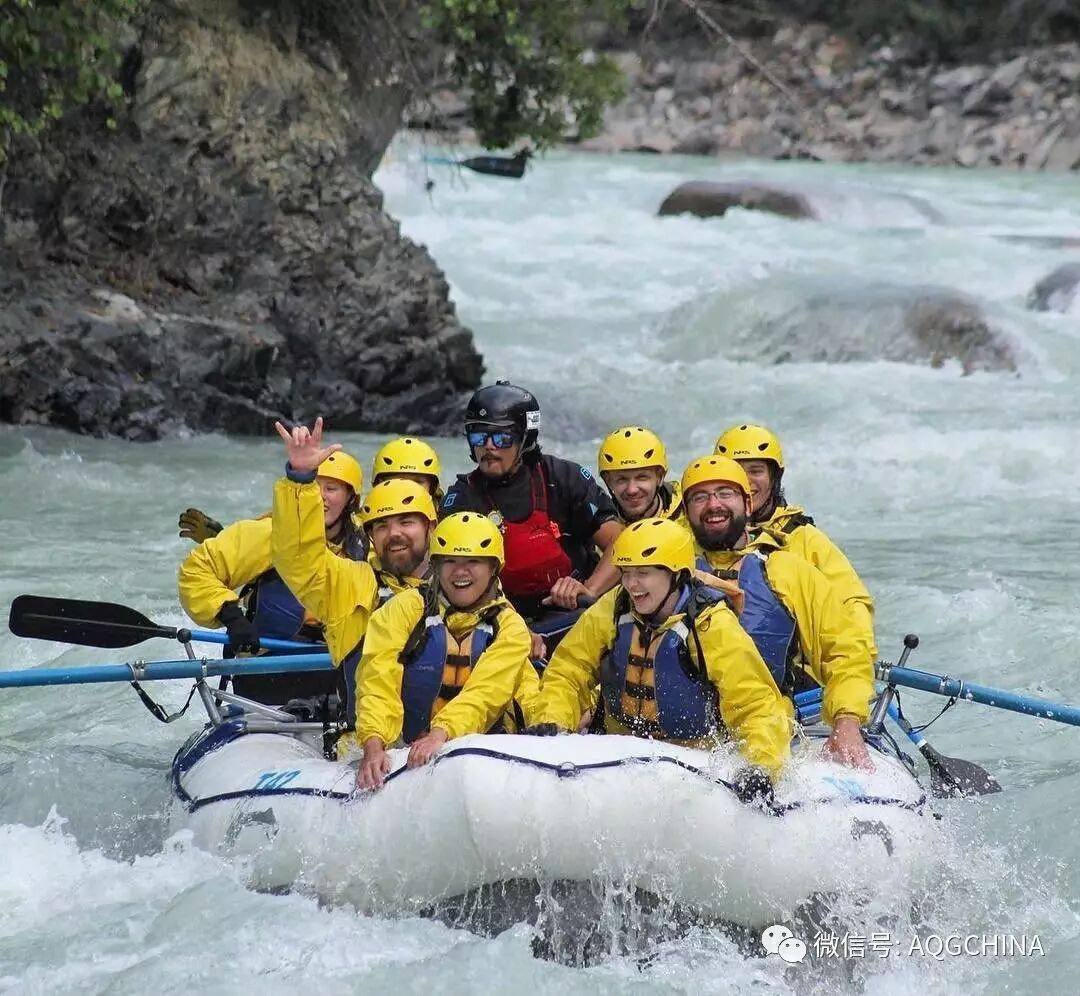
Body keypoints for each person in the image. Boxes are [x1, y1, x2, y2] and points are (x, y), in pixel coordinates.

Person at [527, 517, 791, 797]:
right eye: (626, 572)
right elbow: (569, 670)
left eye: (643, 572)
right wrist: (551, 721)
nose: (632, 584)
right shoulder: (613, 608)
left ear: (676, 575)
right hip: (617, 753)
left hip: (692, 761)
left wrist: (760, 767)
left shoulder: (711, 626)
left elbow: (756, 705)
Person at [681, 454, 875, 769]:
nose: (713, 505)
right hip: (678, 744)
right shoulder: (663, 570)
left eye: (724, 494)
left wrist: (847, 719)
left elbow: (845, 651)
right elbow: (590, 652)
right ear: (686, 512)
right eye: (700, 497)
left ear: (747, 504)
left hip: (767, 736)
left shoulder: (787, 570)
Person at [271, 419, 437, 722]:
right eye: (383, 526)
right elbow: (297, 557)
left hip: (453, 742)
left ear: (431, 526)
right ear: (370, 535)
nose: (395, 534)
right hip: (365, 748)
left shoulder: (462, 580)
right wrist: (300, 481)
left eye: (407, 522)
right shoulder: (351, 582)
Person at [356, 511, 537, 790]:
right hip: (403, 750)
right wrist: (373, 742)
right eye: (449, 561)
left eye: (473, 562)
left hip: (484, 752)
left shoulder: (509, 626)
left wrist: (441, 733)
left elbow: (487, 692)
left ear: (493, 569)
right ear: (436, 567)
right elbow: (377, 678)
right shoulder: (404, 610)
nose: (460, 572)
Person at [177, 447, 367, 703]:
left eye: (331, 489)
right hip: (270, 669)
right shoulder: (269, 533)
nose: (319, 497)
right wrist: (230, 615)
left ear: (351, 500)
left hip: (340, 671)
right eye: (314, 486)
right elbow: (197, 570)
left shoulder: (367, 546)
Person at [440, 381, 622, 622]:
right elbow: (453, 577)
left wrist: (590, 589)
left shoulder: (563, 477)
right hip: (500, 622)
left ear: (525, 439)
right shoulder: (461, 499)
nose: (489, 446)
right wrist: (509, 628)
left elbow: (621, 542)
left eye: (502, 438)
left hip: (578, 613)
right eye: (479, 436)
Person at [714, 423, 874, 637]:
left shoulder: (804, 538)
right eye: (735, 471)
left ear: (774, 477)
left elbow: (852, 604)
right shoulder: (694, 532)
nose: (745, 481)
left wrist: (855, 658)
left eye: (756, 470)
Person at [597, 426, 683, 524]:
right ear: (608, 481)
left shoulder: (688, 510)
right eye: (622, 479)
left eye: (642, 477)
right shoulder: (597, 526)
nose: (632, 490)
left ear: (660, 477)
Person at [370, 436, 443, 499]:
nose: (406, 490)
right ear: (378, 484)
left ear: (432, 488)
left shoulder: (444, 513)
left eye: (416, 482)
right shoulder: (365, 513)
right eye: (396, 482)